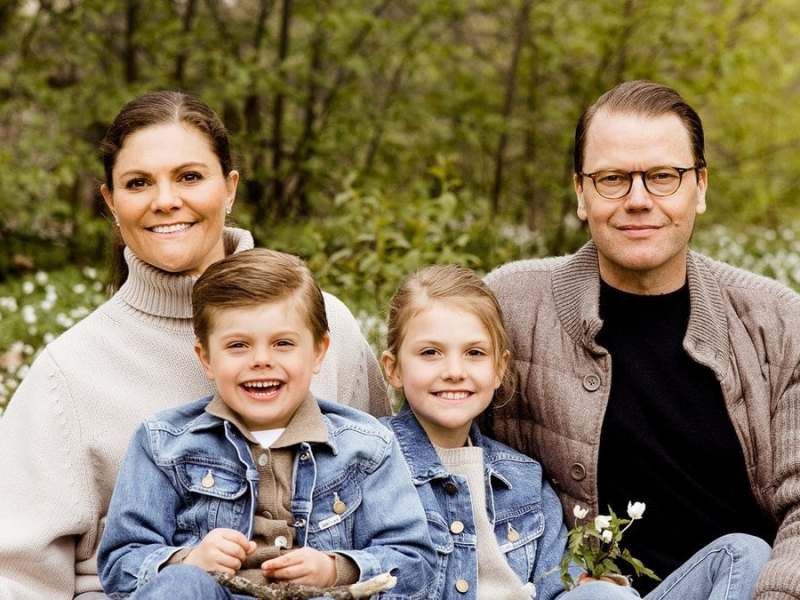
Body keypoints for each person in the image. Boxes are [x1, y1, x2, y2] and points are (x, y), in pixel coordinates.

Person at [0, 91, 388, 600]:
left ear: (228, 188)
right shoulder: (68, 373)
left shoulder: (327, 326)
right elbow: (17, 577)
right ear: (111, 203)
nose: (165, 200)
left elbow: (391, 501)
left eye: (189, 176)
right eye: (138, 183)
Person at [485, 80, 799, 597]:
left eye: (662, 177)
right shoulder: (510, 307)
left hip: (736, 587)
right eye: (612, 178)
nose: (637, 200)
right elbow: (437, 454)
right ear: (580, 193)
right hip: (580, 593)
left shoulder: (780, 325)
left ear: (700, 186)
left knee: (749, 549)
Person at [381, 264, 769, 600]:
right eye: (430, 352)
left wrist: (596, 584)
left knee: (743, 553)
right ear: (393, 368)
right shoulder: (368, 462)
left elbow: (559, 584)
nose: (454, 370)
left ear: (499, 370)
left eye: (474, 353)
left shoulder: (522, 478)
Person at [97, 249, 434, 599]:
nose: (261, 361)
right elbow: (121, 561)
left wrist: (336, 569)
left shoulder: (366, 447)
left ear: (319, 352)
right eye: (238, 345)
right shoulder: (165, 444)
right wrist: (188, 560)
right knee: (181, 586)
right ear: (207, 358)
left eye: (283, 344)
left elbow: (414, 563)